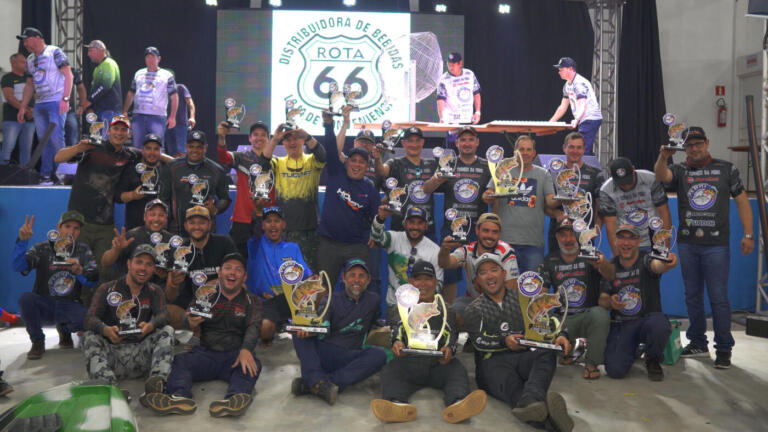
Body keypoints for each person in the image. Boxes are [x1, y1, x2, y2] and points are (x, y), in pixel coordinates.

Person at [654, 126, 753, 369]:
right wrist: (664, 156)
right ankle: (698, 341)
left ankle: (724, 348)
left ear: (707, 143)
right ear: (684, 148)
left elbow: (742, 201)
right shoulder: (680, 170)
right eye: (689, 145)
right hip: (688, 243)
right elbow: (660, 176)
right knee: (692, 295)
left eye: (698, 144)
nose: (694, 148)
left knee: (718, 297)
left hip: (716, 245)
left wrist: (748, 234)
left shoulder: (726, 168)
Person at [142, 253, 262, 418]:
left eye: (238, 270)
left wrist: (246, 349)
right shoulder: (205, 294)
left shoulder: (251, 301)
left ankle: (235, 399)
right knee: (180, 361)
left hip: (235, 355)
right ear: (220, 273)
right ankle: (178, 397)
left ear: (245, 277)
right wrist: (190, 322)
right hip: (207, 353)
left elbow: (253, 327)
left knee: (252, 365)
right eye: (228, 268)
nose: (232, 273)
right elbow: (188, 317)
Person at [463, 253, 573, 432]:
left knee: (546, 351)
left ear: (503, 274)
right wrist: (504, 341)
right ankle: (553, 424)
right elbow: (478, 341)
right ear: (477, 281)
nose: (490, 276)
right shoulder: (474, 309)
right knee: (516, 392)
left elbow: (549, 318)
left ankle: (532, 398)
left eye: (494, 270)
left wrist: (561, 335)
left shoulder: (523, 299)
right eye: (483, 272)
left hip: (524, 357)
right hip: (492, 363)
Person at [371, 261, 487, 424]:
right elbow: (396, 329)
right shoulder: (400, 307)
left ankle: (458, 403)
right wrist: (396, 342)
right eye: (418, 279)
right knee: (391, 370)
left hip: (437, 363)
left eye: (428, 279)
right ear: (411, 283)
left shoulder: (446, 308)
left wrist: (450, 349)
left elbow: (452, 334)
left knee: (457, 370)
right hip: (409, 361)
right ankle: (396, 404)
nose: (423, 284)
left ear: (435, 282)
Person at [54, 115, 143, 290]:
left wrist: (172, 159)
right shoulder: (91, 147)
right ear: (108, 131)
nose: (119, 133)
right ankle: (74, 312)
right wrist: (79, 146)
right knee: (72, 268)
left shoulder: (129, 155)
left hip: (105, 224)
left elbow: (151, 154)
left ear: (128, 133)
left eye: (123, 129)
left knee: (103, 273)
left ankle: (96, 312)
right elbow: (58, 158)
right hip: (79, 222)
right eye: (116, 129)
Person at [291, 258, 387, 405]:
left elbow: (376, 324)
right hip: (326, 352)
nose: (357, 279)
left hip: (349, 356)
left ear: (368, 280)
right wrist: (310, 331)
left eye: (361, 276)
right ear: (343, 278)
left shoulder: (374, 300)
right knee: (298, 332)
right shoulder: (330, 300)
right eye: (352, 275)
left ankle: (315, 383)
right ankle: (318, 380)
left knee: (379, 355)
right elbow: (322, 326)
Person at [83, 244, 173, 395]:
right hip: (113, 357)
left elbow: (164, 315)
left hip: (142, 358)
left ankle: (156, 386)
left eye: (149, 264)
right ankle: (109, 389)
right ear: (129, 264)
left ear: (153, 269)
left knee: (167, 331)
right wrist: (105, 330)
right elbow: (89, 319)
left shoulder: (155, 290)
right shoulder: (107, 288)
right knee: (89, 337)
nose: (143, 268)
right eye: (139, 262)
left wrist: (151, 326)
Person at [12, 211, 98, 359]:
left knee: (90, 320)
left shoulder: (83, 250)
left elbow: (93, 280)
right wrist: (22, 241)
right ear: (59, 227)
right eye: (68, 226)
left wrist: (80, 271)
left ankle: (64, 329)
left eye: (76, 228)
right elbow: (18, 267)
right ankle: (37, 341)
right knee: (25, 299)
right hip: (45, 304)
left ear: (80, 231)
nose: (71, 231)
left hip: (70, 305)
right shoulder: (42, 248)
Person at [600, 225, 677, 381]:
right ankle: (634, 349)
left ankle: (653, 359)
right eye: (622, 238)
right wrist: (611, 302)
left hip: (646, 320)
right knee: (615, 371)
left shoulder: (647, 259)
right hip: (622, 324)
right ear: (615, 241)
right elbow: (602, 300)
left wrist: (667, 263)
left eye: (631, 238)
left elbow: (657, 266)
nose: (626, 243)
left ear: (638, 241)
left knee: (659, 324)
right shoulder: (610, 266)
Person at [538, 219, 614, 379]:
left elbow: (611, 275)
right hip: (562, 318)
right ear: (557, 238)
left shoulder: (591, 255)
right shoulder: (549, 260)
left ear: (580, 235)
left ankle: (592, 363)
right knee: (541, 319)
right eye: (563, 235)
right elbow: (542, 295)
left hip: (586, 316)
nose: (568, 239)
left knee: (600, 314)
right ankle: (568, 346)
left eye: (572, 234)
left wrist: (602, 263)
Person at [424, 126, 491, 302]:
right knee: (449, 276)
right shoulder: (447, 164)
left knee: (483, 274)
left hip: (479, 231)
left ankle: (483, 314)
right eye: (463, 140)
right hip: (451, 231)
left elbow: (495, 198)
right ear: (457, 143)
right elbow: (426, 189)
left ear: (477, 142)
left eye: (470, 139)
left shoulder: (487, 166)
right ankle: (449, 316)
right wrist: (438, 178)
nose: (467, 143)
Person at [481, 135, 563, 273]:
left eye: (528, 149)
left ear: (534, 153)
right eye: (521, 149)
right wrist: (488, 196)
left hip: (533, 243)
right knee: (504, 288)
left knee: (531, 288)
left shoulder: (543, 174)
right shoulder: (503, 170)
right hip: (504, 241)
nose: (525, 153)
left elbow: (550, 201)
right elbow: (487, 194)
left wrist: (564, 196)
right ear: (515, 152)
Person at [317, 110, 380, 286]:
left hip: (356, 247)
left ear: (367, 166)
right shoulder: (337, 174)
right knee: (322, 288)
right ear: (347, 161)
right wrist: (329, 126)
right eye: (353, 160)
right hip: (329, 244)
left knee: (358, 287)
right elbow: (330, 148)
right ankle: (322, 315)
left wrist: (376, 234)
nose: (357, 164)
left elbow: (377, 217)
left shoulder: (370, 189)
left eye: (361, 162)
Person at [259, 124, 326, 272]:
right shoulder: (277, 162)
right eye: (288, 140)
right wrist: (275, 139)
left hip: (309, 230)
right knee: (283, 272)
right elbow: (262, 164)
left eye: (296, 138)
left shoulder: (312, 161)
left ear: (302, 141)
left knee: (308, 274)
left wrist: (308, 136)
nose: (292, 143)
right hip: (283, 230)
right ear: (283, 143)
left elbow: (323, 155)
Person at [245, 205, 312, 344]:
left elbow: (307, 275)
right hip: (264, 301)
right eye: (268, 221)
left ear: (283, 225)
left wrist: (314, 282)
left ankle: (287, 325)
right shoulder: (255, 244)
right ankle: (272, 327)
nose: (273, 225)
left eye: (277, 221)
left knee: (309, 326)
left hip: (288, 301)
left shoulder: (293, 247)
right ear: (263, 225)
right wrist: (257, 210)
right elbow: (254, 229)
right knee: (266, 330)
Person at [15, 27, 74, 184]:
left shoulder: (54, 52)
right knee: (43, 140)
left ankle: (63, 174)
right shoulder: (29, 59)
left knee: (56, 138)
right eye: (23, 41)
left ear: (37, 37)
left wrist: (65, 99)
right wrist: (23, 107)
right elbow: (29, 84)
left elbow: (68, 74)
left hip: (55, 101)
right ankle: (46, 175)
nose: (25, 43)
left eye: (26, 39)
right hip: (40, 104)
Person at [164, 206, 237, 329]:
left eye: (201, 223)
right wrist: (173, 284)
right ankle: (193, 326)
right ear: (186, 226)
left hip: (221, 298)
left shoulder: (224, 243)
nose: (197, 227)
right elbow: (170, 296)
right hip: (190, 301)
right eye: (192, 223)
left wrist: (216, 283)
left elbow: (239, 279)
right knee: (166, 312)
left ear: (209, 224)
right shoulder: (178, 249)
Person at [438, 213, 519, 319]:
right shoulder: (468, 250)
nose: (490, 236)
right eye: (486, 231)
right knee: (455, 309)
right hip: (474, 301)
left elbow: (511, 290)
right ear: (477, 230)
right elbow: (445, 263)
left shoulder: (506, 251)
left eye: (495, 232)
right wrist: (445, 249)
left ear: (500, 234)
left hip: (501, 303)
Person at [158, 130, 231, 234]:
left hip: (205, 230)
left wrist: (215, 209)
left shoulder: (216, 170)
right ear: (186, 146)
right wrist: (165, 221)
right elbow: (162, 199)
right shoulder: (172, 167)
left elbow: (225, 198)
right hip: (177, 229)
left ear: (205, 148)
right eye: (191, 146)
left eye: (199, 147)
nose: (195, 150)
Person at [218, 120, 272, 258]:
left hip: (268, 219)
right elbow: (223, 157)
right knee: (239, 261)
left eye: (263, 135)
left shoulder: (276, 161)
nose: (259, 138)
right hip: (242, 220)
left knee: (265, 262)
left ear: (269, 138)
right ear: (250, 138)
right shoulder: (240, 157)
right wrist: (222, 137)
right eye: (255, 134)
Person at [374, 126, 438, 238]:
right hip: (401, 227)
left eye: (417, 141)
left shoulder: (433, 164)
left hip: (426, 227)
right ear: (403, 143)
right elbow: (382, 171)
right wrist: (377, 158)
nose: (414, 145)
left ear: (423, 142)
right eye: (410, 141)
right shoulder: (395, 163)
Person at [599, 157, 671, 256]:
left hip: (652, 240)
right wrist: (617, 257)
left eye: (628, 181)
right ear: (611, 176)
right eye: (622, 184)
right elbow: (610, 226)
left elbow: (664, 212)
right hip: (625, 244)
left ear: (633, 169)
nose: (626, 186)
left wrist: (664, 248)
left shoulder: (651, 179)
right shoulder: (606, 190)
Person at [372, 206, 443, 307]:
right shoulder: (394, 238)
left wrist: (420, 300)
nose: (415, 227)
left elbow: (438, 284)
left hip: (422, 308)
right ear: (405, 223)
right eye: (411, 222)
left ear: (426, 226)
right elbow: (376, 238)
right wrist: (380, 219)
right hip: (395, 306)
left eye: (420, 223)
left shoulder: (435, 251)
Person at [546, 132, 605, 252]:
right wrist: (556, 213)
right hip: (559, 234)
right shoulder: (552, 173)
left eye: (579, 147)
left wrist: (596, 228)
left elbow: (600, 205)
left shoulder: (595, 173)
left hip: (585, 233)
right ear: (564, 148)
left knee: (585, 270)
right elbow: (545, 205)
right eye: (571, 147)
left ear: (584, 149)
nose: (575, 151)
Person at [100, 198, 173, 281]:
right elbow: (105, 262)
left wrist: (166, 273)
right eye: (152, 214)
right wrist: (116, 250)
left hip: (156, 290)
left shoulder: (171, 240)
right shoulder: (131, 236)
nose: (156, 219)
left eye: (161, 215)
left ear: (166, 218)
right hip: (127, 288)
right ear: (145, 217)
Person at [123, 46, 178, 148]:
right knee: (137, 146)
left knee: (158, 146)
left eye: (153, 57)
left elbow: (174, 97)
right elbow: (131, 93)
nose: (150, 59)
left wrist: (172, 117)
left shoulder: (167, 75)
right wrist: (125, 111)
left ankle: (158, 164)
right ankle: (138, 165)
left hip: (157, 116)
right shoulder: (139, 73)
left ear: (159, 59)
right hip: (138, 116)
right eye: (148, 57)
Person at [548, 57, 602, 155]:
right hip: (584, 119)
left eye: (562, 69)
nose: (559, 72)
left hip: (590, 118)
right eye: (559, 70)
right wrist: (551, 122)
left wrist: (576, 119)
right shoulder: (567, 86)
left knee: (582, 149)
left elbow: (582, 104)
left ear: (571, 69)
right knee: (584, 149)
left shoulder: (579, 83)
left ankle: (588, 169)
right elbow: (562, 107)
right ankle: (593, 167)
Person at [116, 133, 167, 230]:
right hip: (135, 227)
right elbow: (118, 196)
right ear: (142, 150)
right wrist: (132, 195)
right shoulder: (131, 168)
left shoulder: (166, 170)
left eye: (156, 149)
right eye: (148, 148)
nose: (152, 152)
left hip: (161, 229)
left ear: (161, 151)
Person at [1, 53, 35, 166]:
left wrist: (33, 111)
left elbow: (35, 96)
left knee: (26, 150)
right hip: (12, 119)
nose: (25, 64)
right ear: (13, 63)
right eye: (22, 62)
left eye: (25, 62)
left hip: (29, 120)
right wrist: (25, 109)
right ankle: (2, 176)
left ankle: (24, 177)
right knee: (7, 148)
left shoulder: (29, 78)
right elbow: (9, 97)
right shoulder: (7, 77)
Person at [81, 40, 122, 130]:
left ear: (100, 50)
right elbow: (94, 90)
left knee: (106, 140)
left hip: (110, 110)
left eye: (91, 51)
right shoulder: (97, 69)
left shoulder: (109, 63)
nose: (88, 54)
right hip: (99, 111)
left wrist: (89, 101)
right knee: (98, 140)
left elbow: (105, 86)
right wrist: (90, 107)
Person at [436, 52, 482, 125]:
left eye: (453, 65)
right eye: (449, 65)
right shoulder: (443, 79)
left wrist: (477, 112)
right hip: (452, 121)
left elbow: (476, 94)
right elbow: (440, 100)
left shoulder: (470, 74)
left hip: (468, 119)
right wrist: (442, 117)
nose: (450, 68)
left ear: (460, 63)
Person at [164, 76, 195, 157]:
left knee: (181, 151)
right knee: (172, 152)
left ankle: (183, 168)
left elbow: (190, 103)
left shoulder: (180, 87)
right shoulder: (160, 90)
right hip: (166, 125)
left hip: (180, 123)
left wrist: (192, 117)